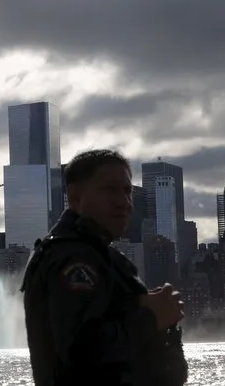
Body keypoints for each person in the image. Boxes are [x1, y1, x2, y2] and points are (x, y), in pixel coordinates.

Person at [20, 149, 188, 386]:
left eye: (127, 191)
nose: (124, 202)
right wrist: (152, 317)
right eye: (110, 190)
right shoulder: (74, 258)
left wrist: (140, 306)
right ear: (75, 198)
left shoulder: (97, 257)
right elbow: (81, 351)